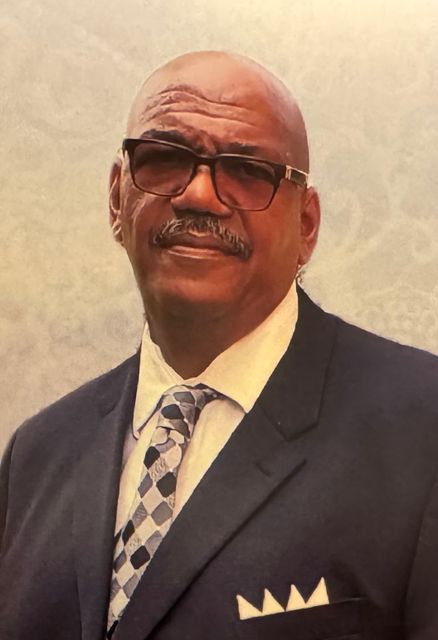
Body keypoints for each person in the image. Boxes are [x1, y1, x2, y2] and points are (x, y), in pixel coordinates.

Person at [1, 50, 438, 640]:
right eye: (164, 159)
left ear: (306, 225)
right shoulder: (36, 455)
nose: (200, 195)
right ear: (116, 199)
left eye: (247, 170)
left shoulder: (423, 430)